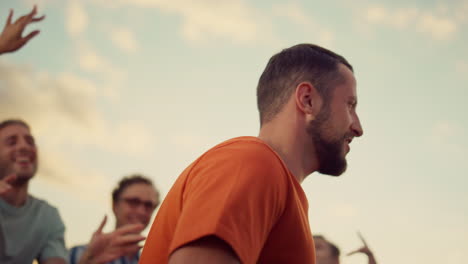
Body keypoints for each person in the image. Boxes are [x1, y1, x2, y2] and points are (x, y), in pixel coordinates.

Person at [139, 43, 364, 264]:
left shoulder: (277, 184)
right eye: (350, 105)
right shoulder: (253, 162)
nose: (358, 127)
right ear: (307, 100)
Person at [0, 119, 67, 264]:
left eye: (30, 142)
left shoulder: (47, 216)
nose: (24, 146)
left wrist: (88, 259)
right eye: (12, 142)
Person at [69, 174, 161, 264]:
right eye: (133, 202)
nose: (141, 211)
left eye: (148, 205)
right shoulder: (76, 255)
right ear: (115, 205)